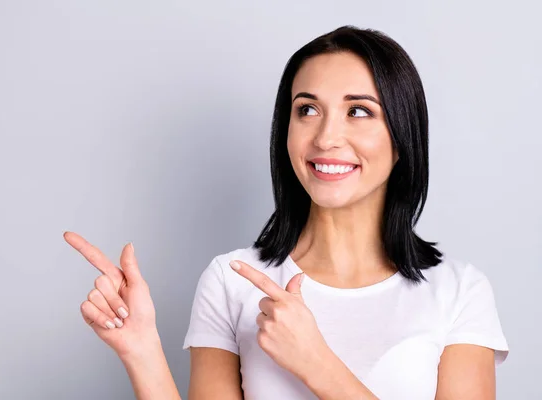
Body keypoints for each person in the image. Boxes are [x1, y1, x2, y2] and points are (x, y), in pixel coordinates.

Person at [64, 25, 509, 400]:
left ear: (402, 139)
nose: (326, 137)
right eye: (308, 109)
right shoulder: (230, 280)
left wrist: (317, 364)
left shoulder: (458, 292)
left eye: (358, 111)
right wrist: (141, 350)